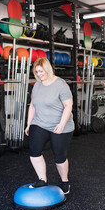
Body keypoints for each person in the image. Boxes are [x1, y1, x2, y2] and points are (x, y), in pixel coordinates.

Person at [24, 57, 74, 194]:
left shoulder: (61, 85)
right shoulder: (37, 85)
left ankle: (65, 181)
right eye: (37, 72)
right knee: (34, 152)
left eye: (42, 71)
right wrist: (29, 124)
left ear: (48, 69)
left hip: (60, 124)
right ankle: (42, 180)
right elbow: (32, 105)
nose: (40, 74)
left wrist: (62, 124)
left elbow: (68, 106)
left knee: (59, 155)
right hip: (40, 122)